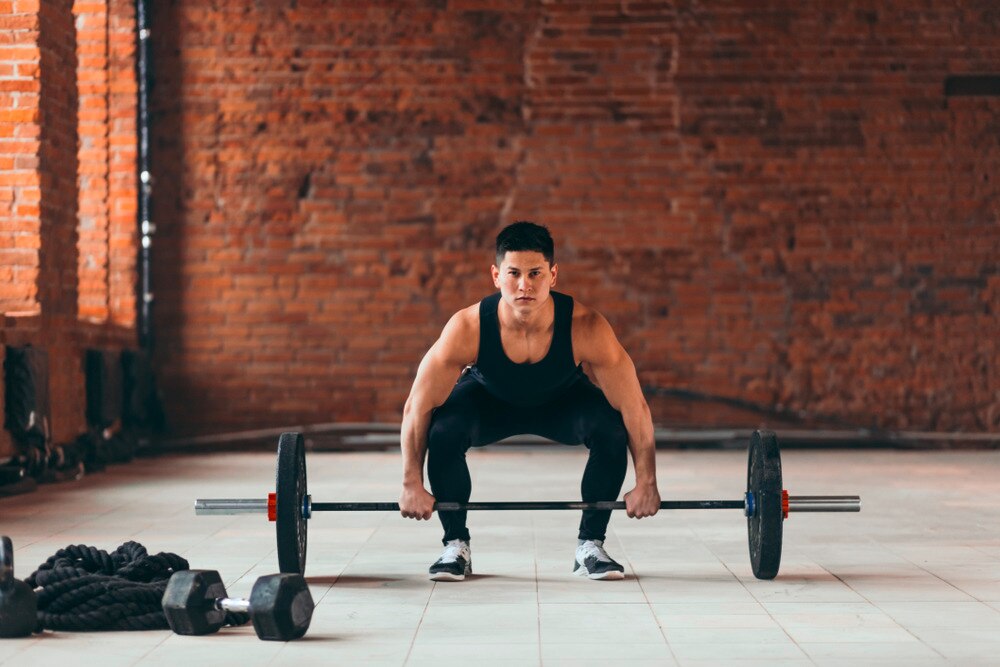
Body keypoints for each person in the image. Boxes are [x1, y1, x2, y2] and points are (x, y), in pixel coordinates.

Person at [398, 221, 660, 581]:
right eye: (514, 273)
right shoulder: (468, 327)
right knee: (443, 429)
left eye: (536, 273)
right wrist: (411, 482)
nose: (525, 285)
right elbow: (418, 406)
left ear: (553, 275)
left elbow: (635, 407)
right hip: (488, 401)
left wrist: (647, 481)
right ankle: (455, 545)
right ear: (495, 275)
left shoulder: (586, 326)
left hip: (562, 401)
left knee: (611, 429)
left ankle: (590, 546)